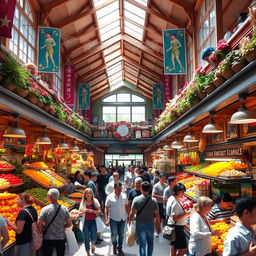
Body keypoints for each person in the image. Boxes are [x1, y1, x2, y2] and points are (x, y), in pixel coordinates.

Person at [128, 181, 161, 256]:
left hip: (140, 224)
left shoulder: (136, 199)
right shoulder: (154, 200)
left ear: (141, 189)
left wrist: (129, 221)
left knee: (142, 244)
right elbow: (157, 214)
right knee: (150, 243)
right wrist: (158, 226)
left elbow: (132, 212)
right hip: (150, 224)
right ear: (149, 189)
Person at [38, 188, 72, 256]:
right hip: (61, 237)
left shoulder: (45, 209)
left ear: (50, 197)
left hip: (48, 237)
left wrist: (44, 228)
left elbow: (39, 224)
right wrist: (62, 226)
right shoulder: (64, 209)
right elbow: (69, 223)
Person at [166, 183, 191, 256]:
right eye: (182, 192)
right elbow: (175, 218)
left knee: (173, 246)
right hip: (177, 228)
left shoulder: (171, 198)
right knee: (184, 249)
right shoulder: (175, 202)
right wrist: (187, 214)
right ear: (177, 191)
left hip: (172, 225)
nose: (183, 194)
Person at [105, 182, 129, 256]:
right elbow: (106, 208)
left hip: (122, 219)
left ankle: (120, 248)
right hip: (113, 219)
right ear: (114, 188)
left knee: (121, 234)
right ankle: (114, 245)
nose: (120, 190)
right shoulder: (109, 197)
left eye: (121, 189)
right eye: (118, 189)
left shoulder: (124, 196)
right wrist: (106, 218)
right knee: (114, 235)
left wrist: (130, 217)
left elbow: (126, 207)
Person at [79, 188, 101, 256]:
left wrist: (93, 211)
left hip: (93, 221)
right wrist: (85, 211)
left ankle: (93, 244)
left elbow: (99, 212)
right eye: (87, 193)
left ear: (92, 194)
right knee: (86, 238)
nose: (88, 195)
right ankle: (88, 252)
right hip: (85, 222)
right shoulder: (83, 202)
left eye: (90, 193)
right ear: (84, 194)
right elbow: (79, 213)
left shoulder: (95, 201)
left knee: (94, 237)